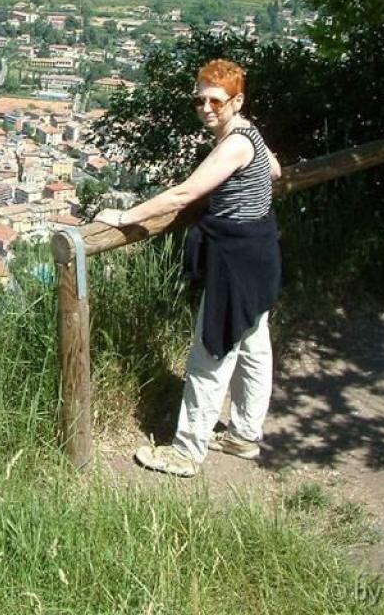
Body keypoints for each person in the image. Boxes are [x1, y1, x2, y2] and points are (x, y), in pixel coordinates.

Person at [95, 59, 282, 477]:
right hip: (260, 251)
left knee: (210, 353)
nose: (206, 108)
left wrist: (125, 217)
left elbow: (184, 194)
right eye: (199, 100)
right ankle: (244, 435)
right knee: (253, 346)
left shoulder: (234, 144)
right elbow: (275, 169)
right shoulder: (249, 132)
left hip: (235, 260)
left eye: (216, 100)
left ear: (237, 101)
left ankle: (186, 452)